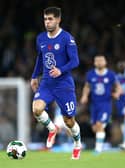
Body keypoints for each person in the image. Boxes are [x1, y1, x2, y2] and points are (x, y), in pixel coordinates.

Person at [30, 7, 81, 159]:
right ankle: (52, 129)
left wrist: (61, 70)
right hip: (46, 82)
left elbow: (75, 61)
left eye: (50, 19)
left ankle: (77, 144)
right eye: (45, 19)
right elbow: (40, 58)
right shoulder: (41, 38)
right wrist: (34, 76)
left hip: (64, 84)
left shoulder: (67, 38)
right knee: (36, 109)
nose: (47, 22)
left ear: (58, 20)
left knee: (69, 121)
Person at [80, 55, 121, 153]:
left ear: (105, 62)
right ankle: (103, 129)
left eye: (101, 60)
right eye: (97, 61)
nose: (99, 62)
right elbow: (87, 86)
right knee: (95, 128)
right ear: (94, 63)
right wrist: (84, 96)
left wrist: (117, 93)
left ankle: (98, 149)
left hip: (105, 104)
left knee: (99, 125)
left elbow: (118, 86)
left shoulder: (110, 74)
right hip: (94, 105)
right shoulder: (90, 74)